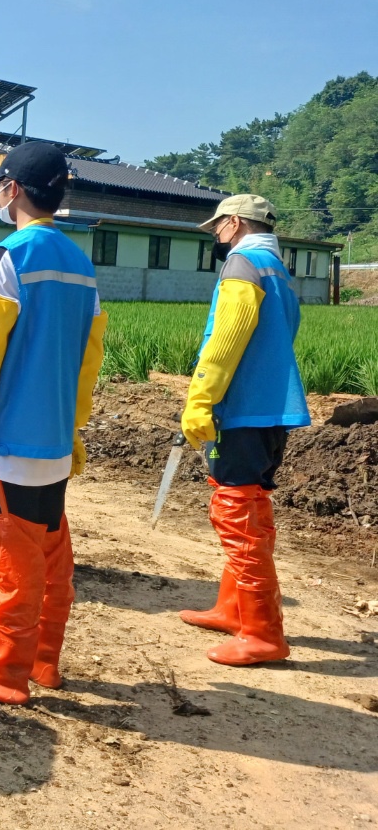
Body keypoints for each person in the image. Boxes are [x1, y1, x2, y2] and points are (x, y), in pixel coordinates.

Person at [0, 141, 106, 705]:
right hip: (55, 436)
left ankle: (6, 673)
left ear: (11, 192)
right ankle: (45, 663)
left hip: (6, 439)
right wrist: (75, 427)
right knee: (53, 552)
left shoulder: (4, 258)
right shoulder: (82, 265)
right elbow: (89, 359)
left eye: (0, 186)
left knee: (16, 562)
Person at [177, 194, 308, 666]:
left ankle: (262, 633)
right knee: (250, 505)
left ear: (234, 223)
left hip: (243, 409)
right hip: (274, 409)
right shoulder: (278, 269)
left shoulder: (242, 265)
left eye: (217, 227)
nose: (215, 234)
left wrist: (201, 398)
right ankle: (233, 609)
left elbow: (226, 338)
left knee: (236, 511)